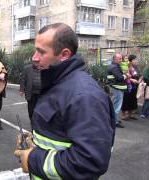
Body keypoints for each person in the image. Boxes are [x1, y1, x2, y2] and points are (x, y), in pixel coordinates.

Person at [13, 23, 115, 179]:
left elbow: (90, 162)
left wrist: (33, 159)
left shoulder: (84, 96)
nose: (34, 57)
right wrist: (34, 141)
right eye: (36, 50)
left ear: (64, 54)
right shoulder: (57, 83)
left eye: (41, 52)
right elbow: (59, 133)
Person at [107, 53, 129, 128]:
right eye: (119, 59)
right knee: (116, 105)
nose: (121, 60)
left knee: (114, 104)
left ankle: (113, 119)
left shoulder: (114, 66)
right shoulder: (114, 67)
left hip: (116, 87)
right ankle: (114, 121)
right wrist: (126, 75)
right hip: (117, 88)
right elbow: (119, 78)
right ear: (114, 59)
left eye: (121, 58)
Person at [121, 55, 141, 120]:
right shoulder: (126, 66)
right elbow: (124, 75)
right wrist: (132, 80)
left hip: (135, 86)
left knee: (133, 100)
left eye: (136, 60)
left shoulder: (136, 67)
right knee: (126, 100)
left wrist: (140, 80)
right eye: (135, 60)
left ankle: (131, 114)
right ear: (131, 60)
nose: (136, 61)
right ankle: (124, 115)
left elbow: (139, 75)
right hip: (128, 85)